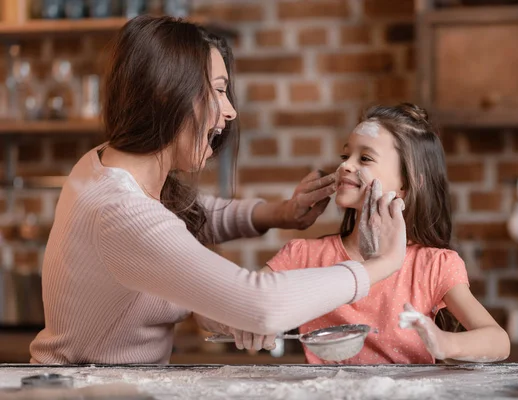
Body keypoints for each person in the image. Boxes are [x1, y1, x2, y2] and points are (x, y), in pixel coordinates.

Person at [28, 15, 406, 364]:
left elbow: (189, 215)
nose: (230, 111)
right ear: (167, 92)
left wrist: (281, 213)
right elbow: (261, 303)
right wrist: (378, 265)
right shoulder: (118, 211)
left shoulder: (103, 164)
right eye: (219, 90)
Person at [262, 103, 510, 364]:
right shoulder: (303, 256)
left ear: (406, 183)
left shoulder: (434, 265)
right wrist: (257, 322)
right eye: (344, 157)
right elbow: (239, 304)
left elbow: (498, 341)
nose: (346, 166)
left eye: (365, 158)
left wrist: (443, 342)